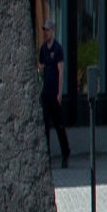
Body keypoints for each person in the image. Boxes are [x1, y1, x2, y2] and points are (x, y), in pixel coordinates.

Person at [39, 20, 70, 168]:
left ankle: (65, 154)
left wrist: (59, 93)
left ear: (52, 30)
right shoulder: (43, 49)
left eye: (48, 30)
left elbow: (61, 71)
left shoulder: (57, 49)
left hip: (54, 94)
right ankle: (46, 156)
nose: (46, 32)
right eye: (44, 30)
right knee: (45, 126)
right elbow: (40, 68)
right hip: (45, 94)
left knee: (59, 126)